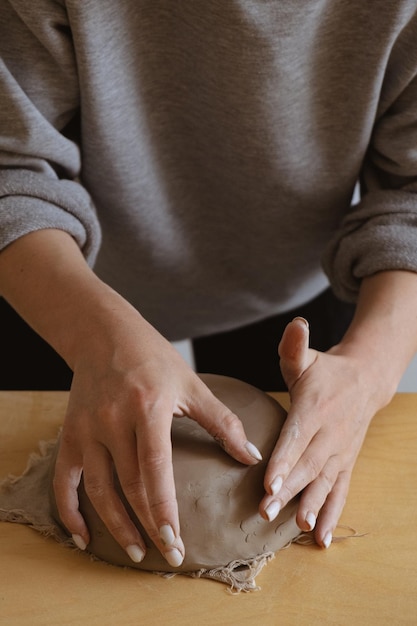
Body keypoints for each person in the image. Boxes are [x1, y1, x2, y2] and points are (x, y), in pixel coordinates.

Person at [1, 1, 417, 569]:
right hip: (57, 277)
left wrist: (370, 369)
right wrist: (97, 339)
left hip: (293, 290)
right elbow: (10, 167)